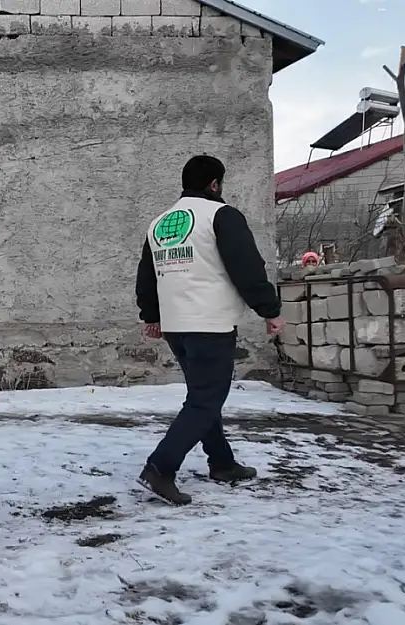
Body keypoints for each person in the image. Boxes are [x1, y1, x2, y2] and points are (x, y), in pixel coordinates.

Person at [134, 154, 285, 505]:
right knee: (205, 399)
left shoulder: (159, 223)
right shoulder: (221, 215)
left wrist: (151, 316)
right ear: (215, 184)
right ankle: (160, 466)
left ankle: (222, 463)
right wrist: (270, 310)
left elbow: (146, 276)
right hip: (209, 323)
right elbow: (246, 267)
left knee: (204, 396)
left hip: (177, 326)